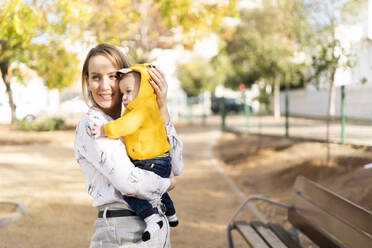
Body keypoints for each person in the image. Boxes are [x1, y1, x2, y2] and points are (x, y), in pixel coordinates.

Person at [74, 43, 183, 247]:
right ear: (87, 82)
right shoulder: (94, 124)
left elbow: (176, 165)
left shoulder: (135, 122)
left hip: (156, 226)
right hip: (123, 231)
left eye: (113, 76)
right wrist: (167, 185)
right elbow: (128, 182)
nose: (105, 86)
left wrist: (161, 108)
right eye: (96, 77)